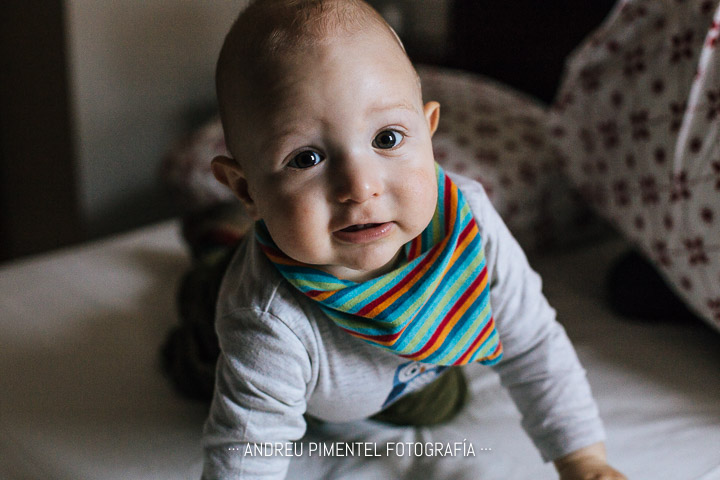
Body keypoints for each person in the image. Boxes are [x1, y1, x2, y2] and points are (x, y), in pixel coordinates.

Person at [202, 0, 627, 478]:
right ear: (247, 189)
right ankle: (217, 243)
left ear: (428, 133)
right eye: (306, 159)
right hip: (289, 368)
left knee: (444, 402)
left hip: (398, 378)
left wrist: (583, 459)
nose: (360, 187)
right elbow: (249, 445)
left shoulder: (469, 228)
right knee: (199, 357)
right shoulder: (264, 318)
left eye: (386, 139)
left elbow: (532, 344)